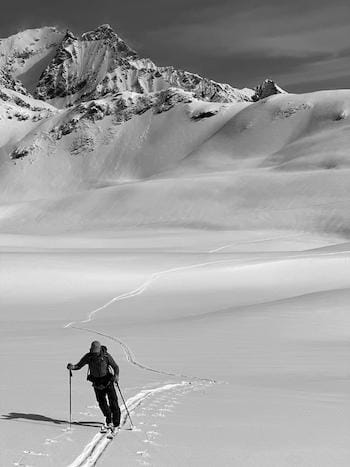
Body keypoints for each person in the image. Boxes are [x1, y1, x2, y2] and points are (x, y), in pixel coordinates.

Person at [67, 341, 121, 429]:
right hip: (96, 382)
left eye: (96, 351)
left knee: (113, 401)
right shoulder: (89, 356)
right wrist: (72, 367)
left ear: (99, 350)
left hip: (108, 380)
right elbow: (79, 366)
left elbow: (115, 367)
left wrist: (116, 375)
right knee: (102, 402)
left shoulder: (106, 356)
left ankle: (116, 422)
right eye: (93, 351)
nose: (94, 353)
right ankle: (109, 418)